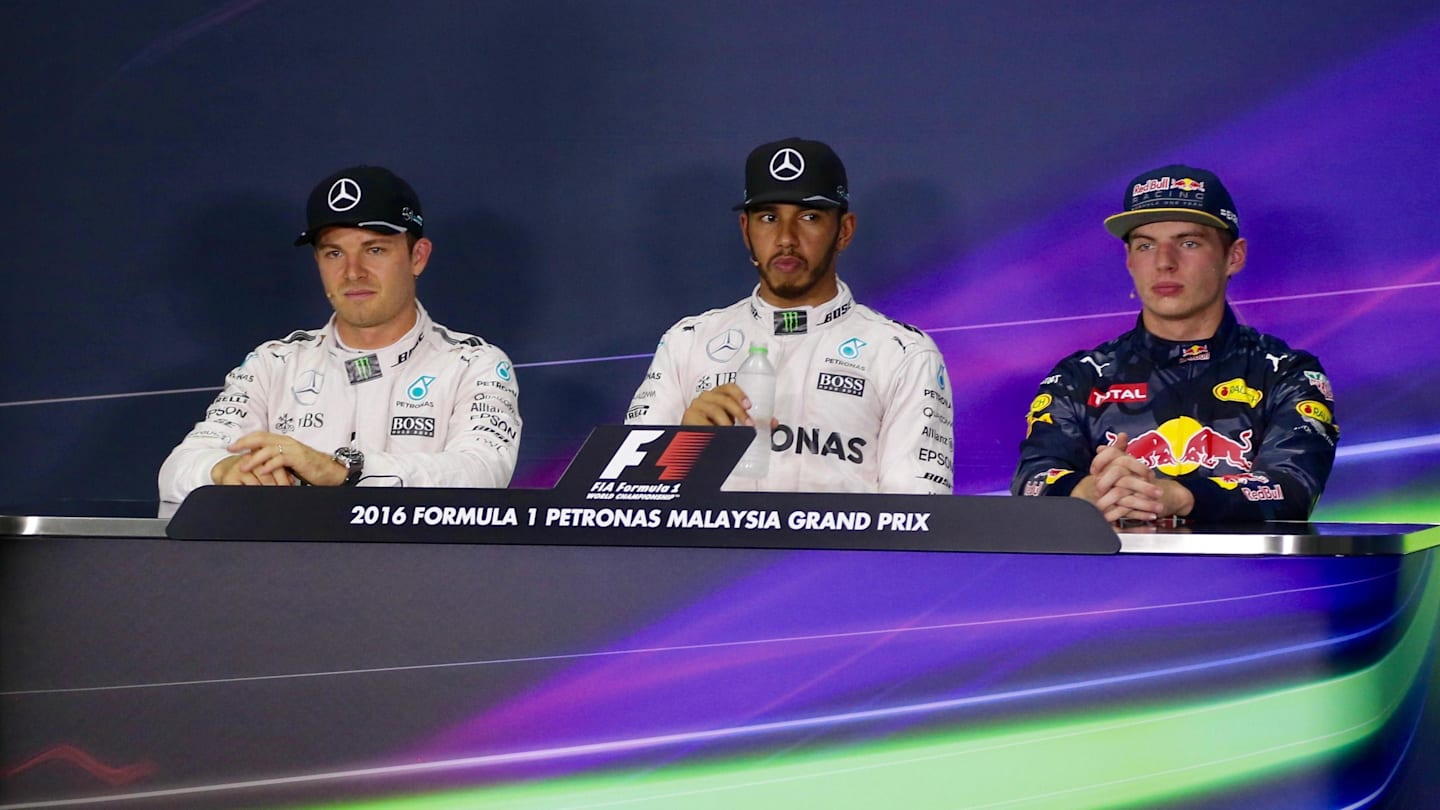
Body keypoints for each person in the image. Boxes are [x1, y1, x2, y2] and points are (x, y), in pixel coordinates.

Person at [158, 166, 521, 510]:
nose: (352, 273)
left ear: (418, 257)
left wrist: (344, 472)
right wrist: (222, 471)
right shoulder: (273, 364)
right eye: (334, 253)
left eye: (374, 249)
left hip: (421, 573)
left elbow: (482, 473)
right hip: (285, 573)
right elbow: (178, 468)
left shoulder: (474, 365)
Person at [625, 138, 953, 493]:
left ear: (844, 231)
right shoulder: (686, 343)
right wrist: (682, 446)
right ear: (745, 230)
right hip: (709, 550)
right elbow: (623, 505)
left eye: (809, 217)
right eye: (768, 218)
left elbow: (917, 519)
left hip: (841, 551)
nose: (786, 238)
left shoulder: (901, 354)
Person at [1012, 164, 1338, 522]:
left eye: (1188, 242)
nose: (1164, 263)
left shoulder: (1286, 373)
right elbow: (1033, 479)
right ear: (1129, 260)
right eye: (1146, 245)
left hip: (1248, 578)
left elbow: (1292, 487)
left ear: (1234, 257)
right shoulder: (1079, 377)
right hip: (1111, 578)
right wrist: (1086, 492)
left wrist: (1177, 496)